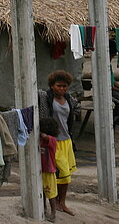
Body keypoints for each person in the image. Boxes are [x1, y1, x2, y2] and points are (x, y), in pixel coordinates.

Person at [39, 70, 78, 216]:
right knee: (58, 173)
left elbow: (71, 116)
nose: (62, 89)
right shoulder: (46, 98)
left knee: (66, 174)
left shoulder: (69, 99)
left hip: (66, 140)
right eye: (59, 86)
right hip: (53, 141)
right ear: (52, 85)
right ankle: (54, 201)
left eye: (65, 86)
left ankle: (61, 202)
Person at [39, 117, 59, 222]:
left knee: (50, 192)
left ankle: (53, 212)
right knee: (42, 191)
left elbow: (45, 137)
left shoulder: (52, 140)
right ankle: (44, 209)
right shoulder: (41, 140)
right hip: (41, 170)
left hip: (49, 170)